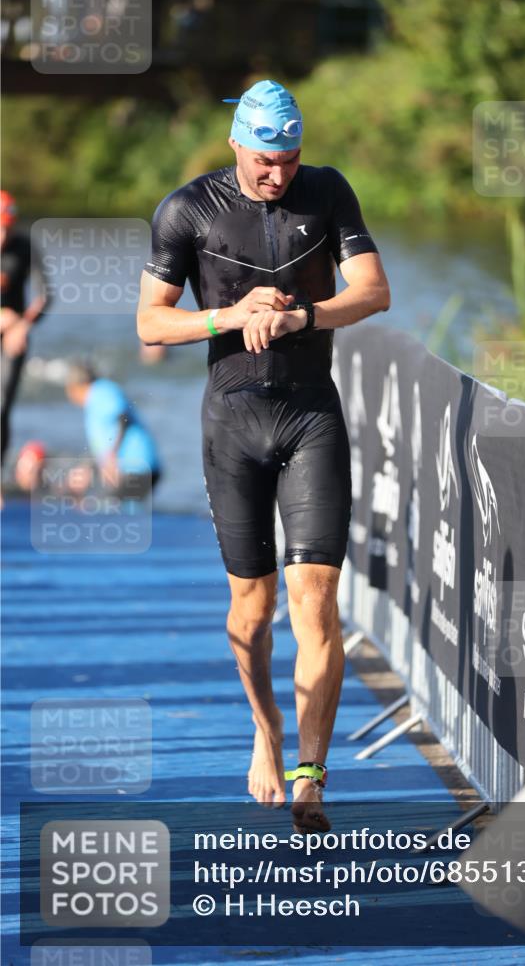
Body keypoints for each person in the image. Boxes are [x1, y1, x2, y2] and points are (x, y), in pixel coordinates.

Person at [138, 79, 390, 832]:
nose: (276, 175)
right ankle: (268, 729)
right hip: (233, 427)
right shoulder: (188, 209)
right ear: (235, 146)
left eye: (288, 159)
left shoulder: (328, 193)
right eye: (263, 161)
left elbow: (374, 291)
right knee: (252, 616)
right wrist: (229, 314)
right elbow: (150, 324)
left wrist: (302, 315)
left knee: (316, 602)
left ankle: (312, 775)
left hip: (311, 416)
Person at [1, 190, 51, 469]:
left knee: (1, 407)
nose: (2, 236)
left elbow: (46, 295)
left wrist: (21, 325)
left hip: (13, 337)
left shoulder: (24, 247)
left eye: (7, 229)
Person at [65, 364, 161, 500]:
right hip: (135, 469)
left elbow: (122, 418)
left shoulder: (101, 392)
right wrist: (87, 468)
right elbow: (102, 445)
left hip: (137, 468)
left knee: (107, 508)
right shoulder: (95, 399)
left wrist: (112, 455)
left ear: (75, 387)